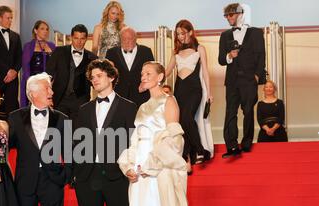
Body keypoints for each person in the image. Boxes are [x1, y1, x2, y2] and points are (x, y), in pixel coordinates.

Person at [118, 61, 263, 206]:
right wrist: (128, 165)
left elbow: (175, 141)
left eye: (148, 73)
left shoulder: (169, 102)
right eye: (142, 73)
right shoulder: (141, 107)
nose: (143, 76)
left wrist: (151, 164)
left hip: (158, 171)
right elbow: (136, 140)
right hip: (139, 173)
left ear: (160, 78)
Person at [73, 59, 136, 206]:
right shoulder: (84, 109)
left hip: (117, 178)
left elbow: (133, 142)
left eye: (99, 75)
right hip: (88, 179)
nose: (94, 80)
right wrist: (76, 174)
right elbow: (76, 143)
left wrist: (131, 167)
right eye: (92, 77)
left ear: (111, 77)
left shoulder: (129, 107)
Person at [8, 73, 71, 206]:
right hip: (25, 184)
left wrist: (65, 176)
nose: (52, 93)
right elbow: (3, 148)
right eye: (47, 89)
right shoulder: (15, 118)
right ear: (33, 93)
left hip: (52, 183)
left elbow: (70, 152)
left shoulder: (62, 118)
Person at [165, 19, 214, 173]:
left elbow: (205, 71)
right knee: (181, 122)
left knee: (187, 117)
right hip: (180, 90)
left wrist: (209, 92)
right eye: (178, 34)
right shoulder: (176, 52)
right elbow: (166, 72)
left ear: (191, 32)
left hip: (194, 89)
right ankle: (187, 158)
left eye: (183, 33)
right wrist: (151, 76)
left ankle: (200, 150)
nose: (180, 36)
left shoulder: (200, 49)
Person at [219, 3, 266, 158]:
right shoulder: (224, 35)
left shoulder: (256, 33)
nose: (228, 18)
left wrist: (257, 76)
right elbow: (221, 60)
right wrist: (229, 56)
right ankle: (231, 146)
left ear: (240, 14)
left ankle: (246, 143)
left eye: (230, 15)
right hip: (232, 80)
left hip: (249, 80)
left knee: (248, 111)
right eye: (226, 16)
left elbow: (261, 57)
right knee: (230, 112)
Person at [46, 24, 97, 124]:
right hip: (60, 98)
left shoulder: (93, 57)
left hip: (81, 101)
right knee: (59, 131)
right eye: (76, 38)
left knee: (77, 133)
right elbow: (48, 74)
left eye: (82, 38)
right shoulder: (59, 52)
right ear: (71, 37)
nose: (79, 42)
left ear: (86, 39)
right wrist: (48, 96)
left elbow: (95, 81)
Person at [105, 26, 154, 108]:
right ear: (120, 39)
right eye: (124, 39)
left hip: (141, 96)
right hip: (118, 96)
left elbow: (152, 72)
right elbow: (107, 75)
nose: (127, 41)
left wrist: (145, 83)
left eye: (130, 38)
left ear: (136, 38)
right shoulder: (111, 53)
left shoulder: (146, 51)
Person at [21, 20, 56, 108]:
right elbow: (26, 68)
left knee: (52, 109)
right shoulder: (28, 46)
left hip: (50, 83)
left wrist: (53, 81)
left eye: (47, 29)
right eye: (42, 29)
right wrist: (31, 86)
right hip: (34, 85)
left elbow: (56, 66)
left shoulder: (52, 46)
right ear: (36, 31)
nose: (45, 31)